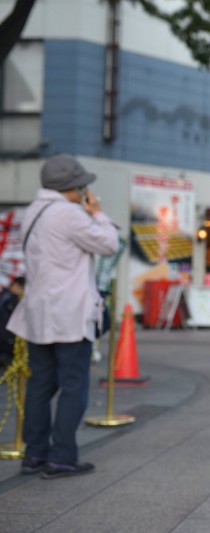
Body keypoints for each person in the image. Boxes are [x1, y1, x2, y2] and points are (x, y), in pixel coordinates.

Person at [7, 154, 119, 479]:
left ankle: (35, 454)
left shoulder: (33, 211)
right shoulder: (69, 214)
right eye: (83, 185)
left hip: (37, 314)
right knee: (73, 385)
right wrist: (97, 212)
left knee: (40, 385)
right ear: (74, 187)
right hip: (69, 313)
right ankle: (62, 457)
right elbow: (109, 244)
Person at [0, 276, 25, 369]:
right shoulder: (11, 299)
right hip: (7, 341)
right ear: (15, 285)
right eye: (21, 288)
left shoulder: (3, 295)